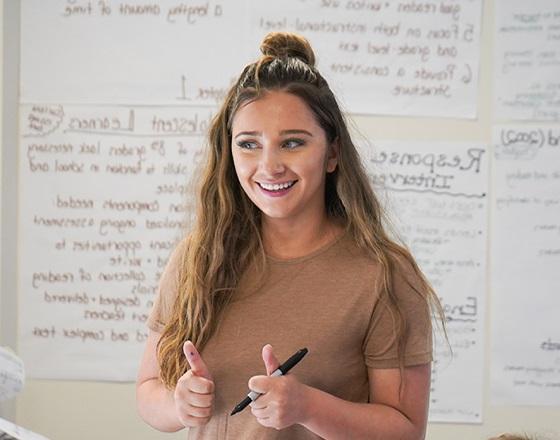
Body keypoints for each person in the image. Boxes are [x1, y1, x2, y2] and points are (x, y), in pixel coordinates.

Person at [136, 32, 443, 439]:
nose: (269, 166)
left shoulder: (384, 275)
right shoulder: (197, 259)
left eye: (292, 143)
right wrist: (177, 403)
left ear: (332, 152)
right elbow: (148, 391)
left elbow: (405, 432)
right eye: (248, 144)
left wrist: (307, 406)